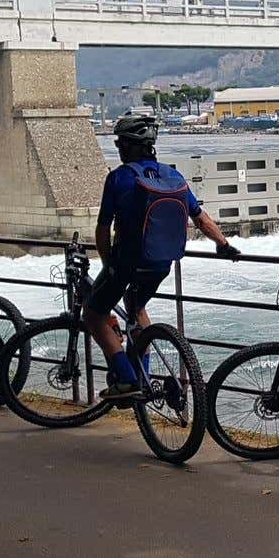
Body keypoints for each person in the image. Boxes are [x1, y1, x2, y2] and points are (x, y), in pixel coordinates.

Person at [88, 113, 240, 400]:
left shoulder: (119, 178)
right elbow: (200, 218)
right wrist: (223, 244)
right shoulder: (173, 176)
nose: (119, 149)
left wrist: (108, 265)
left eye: (121, 144)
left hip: (126, 263)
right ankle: (142, 376)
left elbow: (102, 228)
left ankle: (126, 379)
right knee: (136, 308)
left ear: (131, 147)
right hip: (161, 263)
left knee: (94, 314)